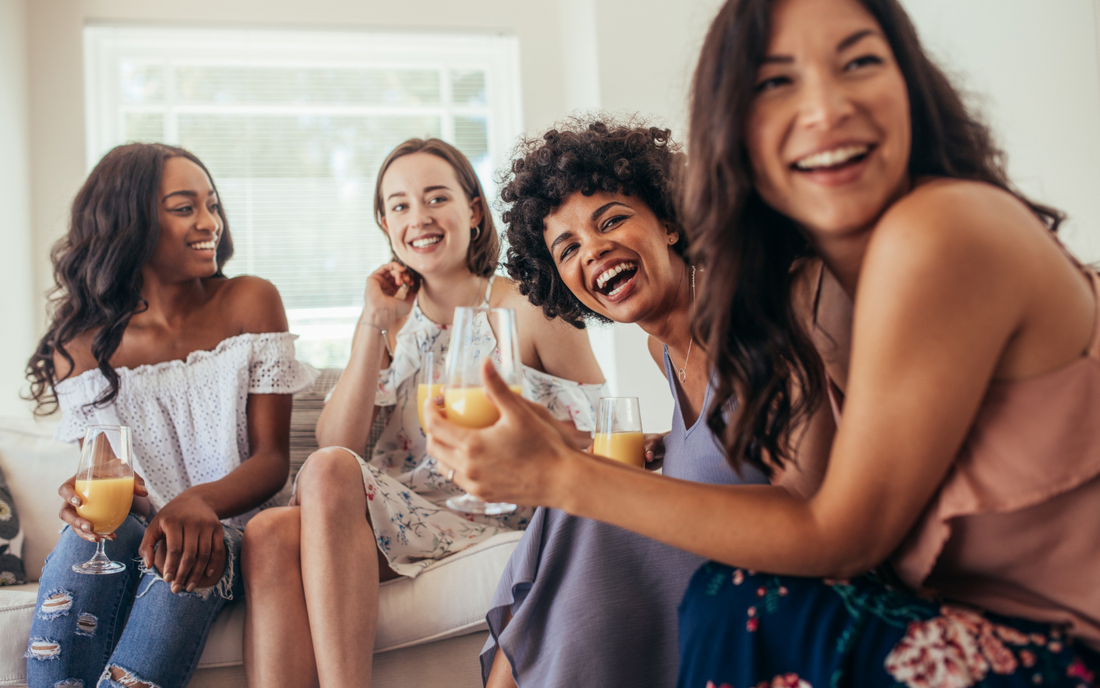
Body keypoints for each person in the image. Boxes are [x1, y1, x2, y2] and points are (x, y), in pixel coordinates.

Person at [424, 0, 1100, 685]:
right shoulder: (824, 280)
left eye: (859, 61)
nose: (824, 108)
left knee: (728, 597)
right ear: (737, 132)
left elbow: (841, 534)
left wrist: (562, 475)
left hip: (1058, 647)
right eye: (776, 83)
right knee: (593, 535)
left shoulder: (932, 231)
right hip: (962, 618)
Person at [241, 138, 607, 687]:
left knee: (326, 475)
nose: (420, 218)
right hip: (403, 510)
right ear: (386, 224)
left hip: (489, 508)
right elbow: (335, 440)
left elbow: (602, 433)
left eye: (437, 198)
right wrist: (373, 320)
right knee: (268, 531)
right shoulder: (394, 319)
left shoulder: (530, 306)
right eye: (400, 205)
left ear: (473, 211)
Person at [479, 118, 769, 688]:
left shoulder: (751, 321)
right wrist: (668, 443)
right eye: (568, 249)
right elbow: (720, 429)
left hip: (754, 574)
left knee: (575, 505)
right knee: (565, 507)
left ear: (668, 223)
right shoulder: (663, 350)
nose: (594, 250)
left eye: (611, 220)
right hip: (703, 563)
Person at [24, 143, 313, 688]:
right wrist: (84, 501)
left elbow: (273, 461)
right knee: (90, 539)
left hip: (231, 531)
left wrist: (197, 501)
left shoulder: (250, 301)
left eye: (213, 205)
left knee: (183, 554)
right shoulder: (79, 346)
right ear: (129, 223)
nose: (210, 223)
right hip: (139, 530)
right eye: (185, 208)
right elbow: (113, 481)